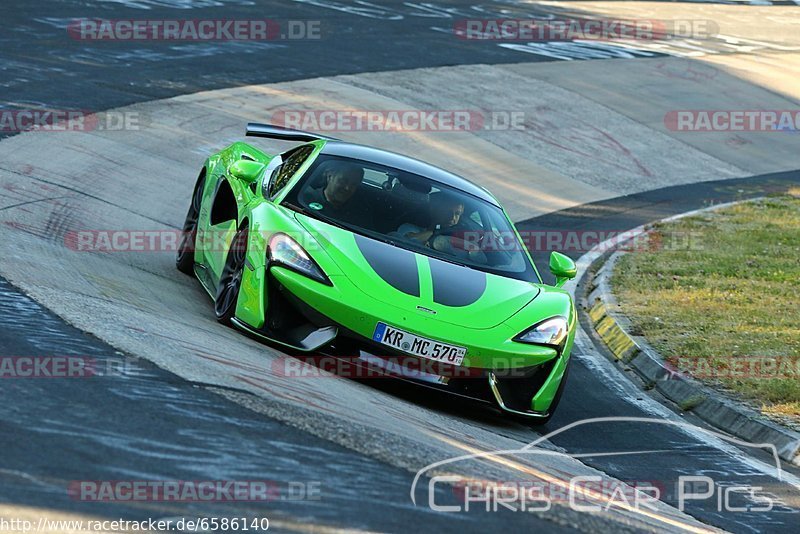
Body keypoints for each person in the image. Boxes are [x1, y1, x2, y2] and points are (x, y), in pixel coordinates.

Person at [299, 160, 371, 226]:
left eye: (353, 184)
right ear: (330, 177)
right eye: (343, 181)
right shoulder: (304, 199)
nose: (347, 188)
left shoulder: (360, 213)